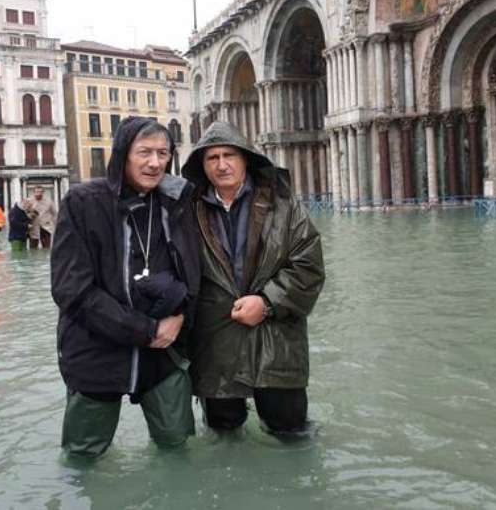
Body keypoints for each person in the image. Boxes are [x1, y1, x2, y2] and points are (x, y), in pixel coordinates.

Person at [51, 117, 201, 458]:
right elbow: (71, 289)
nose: (154, 162)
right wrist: (145, 329)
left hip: (164, 353)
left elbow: (195, 271)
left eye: (163, 153)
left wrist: (180, 315)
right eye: (144, 152)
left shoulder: (177, 202)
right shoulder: (83, 201)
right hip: (95, 353)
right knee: (83, 457)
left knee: (178, 447)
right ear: (123, 154)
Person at [181, 121, 325, 435]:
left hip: (277, 341)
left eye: (229, 155)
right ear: (201, 166)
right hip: (215, 345)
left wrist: (267, 302)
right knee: (224, 435)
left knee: (291, 431)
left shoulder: (285, 207)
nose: (221, 165)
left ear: (246, 157)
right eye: (212, 157)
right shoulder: (186, 212)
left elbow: (308, 267)